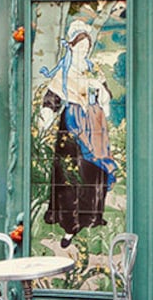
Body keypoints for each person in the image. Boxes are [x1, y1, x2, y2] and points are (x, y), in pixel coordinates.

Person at [38, 20, 119, 248]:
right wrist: (46, 113)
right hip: (72, 124)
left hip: (94, 125)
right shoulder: (64, 72)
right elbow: (52, 98)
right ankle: (69, 224)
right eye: (79, 45)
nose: (83, 50)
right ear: (71, 46)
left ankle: (92, 217)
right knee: (70, 173)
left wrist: (100, 90)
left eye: (87, 46)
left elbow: (107, 96)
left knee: (93, 172)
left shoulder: (94, 69)